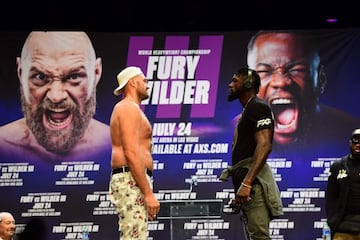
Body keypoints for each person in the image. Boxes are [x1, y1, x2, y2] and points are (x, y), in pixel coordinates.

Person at [239, 30, 360, 151]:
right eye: (264, 71)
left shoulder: (350, 129)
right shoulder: (232, 132)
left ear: (321, 80)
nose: (281, 82)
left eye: (297, 70)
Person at [0, 31, 110, 161]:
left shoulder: (116, 144)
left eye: (74, 76)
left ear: (96, 73)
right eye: (40, 77)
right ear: (20, 73)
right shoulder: (3, 145)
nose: (56, 97)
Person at [223, 67, 283, 239]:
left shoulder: (258, 107)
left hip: (255, 186)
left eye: (235, 80)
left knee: (259, 237)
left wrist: (247, 183)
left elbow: (264, 145)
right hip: (250, 188)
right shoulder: (249, 109)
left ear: (248, 83)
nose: (230, 84)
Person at [108, 66, 160, 240]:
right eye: (144, 80)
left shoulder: (132, 108)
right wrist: (147, 193)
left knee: (137, 236)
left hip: (134, 179)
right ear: (132, 82)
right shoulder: (127, 108)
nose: (147, 84)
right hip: (130, 179)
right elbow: (130, 151)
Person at [325, 128, 360, 239]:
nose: (358, 144)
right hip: (342, 229)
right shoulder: (338, 166)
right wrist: (332, 221)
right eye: (355, 140)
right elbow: (330, 197)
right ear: (350, 143)